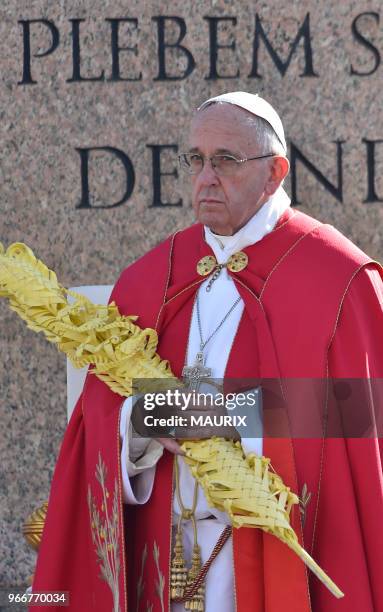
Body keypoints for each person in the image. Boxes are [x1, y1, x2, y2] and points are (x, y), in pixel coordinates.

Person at [31, 92, 383, 612]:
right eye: (195, 159)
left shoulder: (338, 279)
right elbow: (95, 421)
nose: (205, 177)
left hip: (270, 563)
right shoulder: (150, 278)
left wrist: (223, 415)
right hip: (162, 557)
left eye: (226, 160)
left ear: (275, 172)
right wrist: (142, 423)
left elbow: (362, 420)